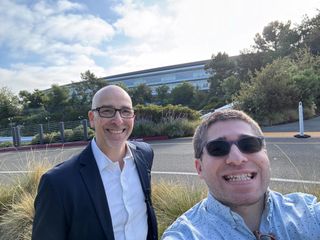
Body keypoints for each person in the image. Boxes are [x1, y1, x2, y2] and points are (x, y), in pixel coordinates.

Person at [162, 109, 320, 240]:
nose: (237, 159)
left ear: (266, 155)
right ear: (199, 168)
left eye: (249, 144)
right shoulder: (185, 235)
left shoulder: (308, 213)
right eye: (218, 148)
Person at [32, 85, 158, 240]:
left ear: (133, 117)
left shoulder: (145, 154)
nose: (118, 120)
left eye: (125, 111)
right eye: (107, 111)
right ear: (92, 118)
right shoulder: (58, 183)